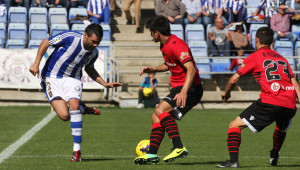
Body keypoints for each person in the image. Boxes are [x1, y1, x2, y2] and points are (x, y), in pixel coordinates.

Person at [29, 23, 122, 162]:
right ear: (85, 36)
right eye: (94, 41)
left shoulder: (93, 53)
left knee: (73, 105)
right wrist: (36, 63)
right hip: (51, 77)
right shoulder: (70, 37)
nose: (96, 45)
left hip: (73, 78)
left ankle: (77, 151)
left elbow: (89, 69)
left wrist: (104, 83)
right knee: (64, 116)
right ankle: (82, 108)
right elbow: (46, 42)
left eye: (98, 42)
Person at [217, 27, 300, 168]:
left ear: (256, 40)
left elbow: (233, 80)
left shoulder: (255, 56)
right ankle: (274, 154)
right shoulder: (283, 59)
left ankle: (233, 161)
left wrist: (226, 93)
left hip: (270, 102)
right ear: (271, 41)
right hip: (290, 104)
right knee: (281, 126)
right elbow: (295, 82)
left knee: (234, 125)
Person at [133, 15, 203, 165]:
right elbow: (169, 64)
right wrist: (154, 69)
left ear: (156, 32)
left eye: (151, 32)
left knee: (160, 110)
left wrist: (184, 91)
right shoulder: (164, 45)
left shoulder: (177, 45)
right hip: (180, 87)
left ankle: (178, 147)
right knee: (156, 116)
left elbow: (191, 68)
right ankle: (151, 154)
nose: (151, 35)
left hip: (190, 88)